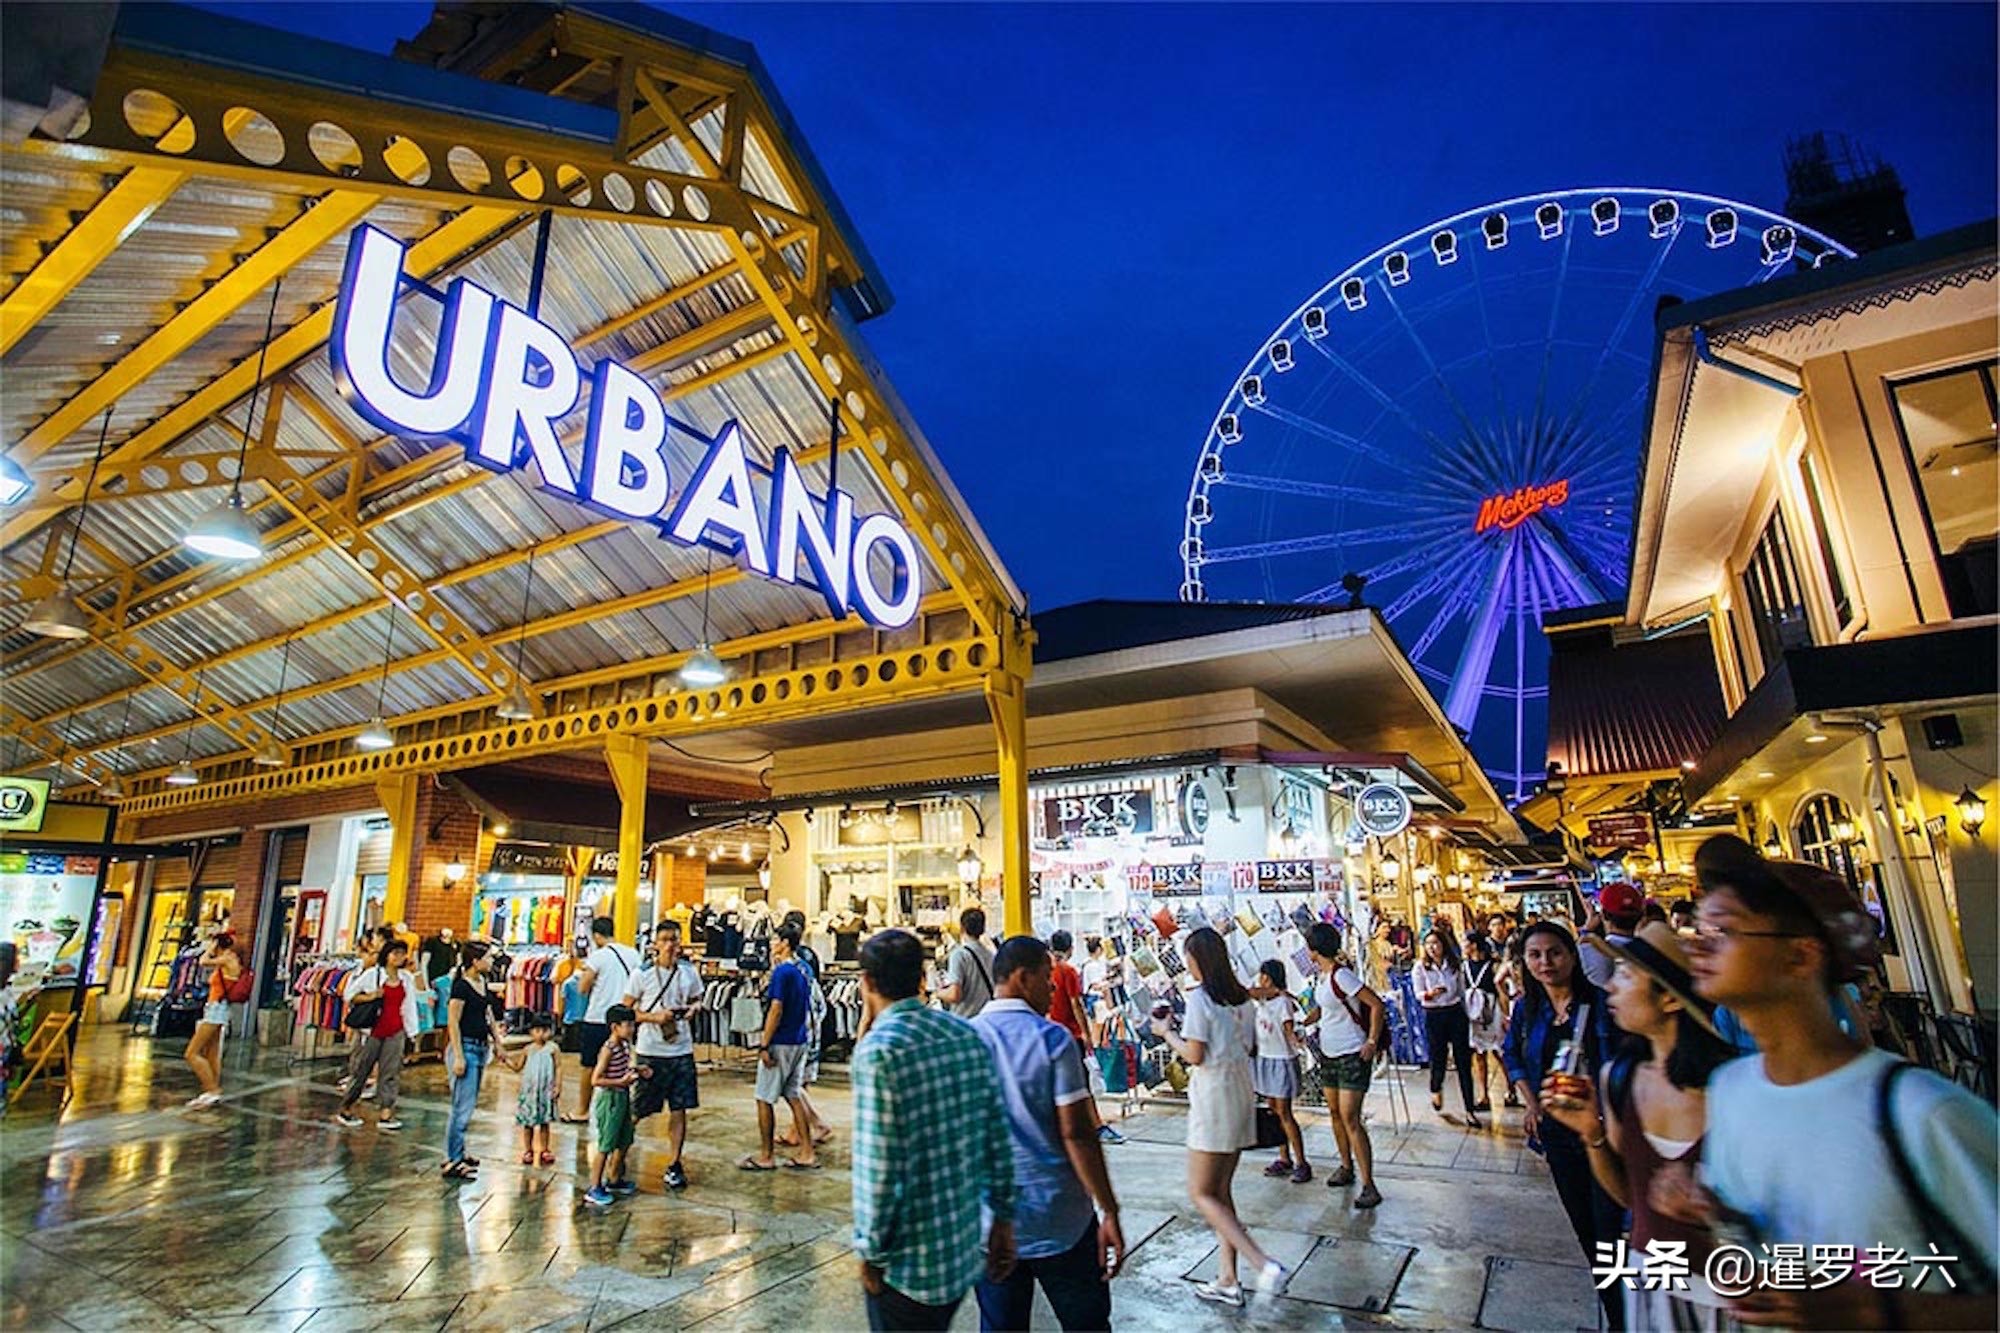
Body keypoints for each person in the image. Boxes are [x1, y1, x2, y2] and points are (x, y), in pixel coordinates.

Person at [1675, 834, 1997, 1328]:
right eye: (1698, 928)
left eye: (1723, 930)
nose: (1699, 945)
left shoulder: (1922, 1112)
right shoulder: (1732, 1091)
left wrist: (1872, 1310)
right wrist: (1711, 1214)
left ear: (1801, 957)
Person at [1539, 920, 1735, 1330]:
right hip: (1653, 1286)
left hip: (1730, 1300)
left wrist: (1716, 1212)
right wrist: (1591, 1134)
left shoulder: (1732, 1088)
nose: (1611, 986)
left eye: (1626, 975)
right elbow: (1630, 1196)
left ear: (1670, 999)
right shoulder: (1618, 1077)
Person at [851, 929, 1015, 1331]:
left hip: (908, 1265)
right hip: (961, 1248)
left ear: (866, 981)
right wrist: (1003, 1219)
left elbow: (879, 1169)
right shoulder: (964, 1035)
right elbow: (996, 1135)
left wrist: (870, 1250)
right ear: (923, 978)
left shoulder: (879, 1052)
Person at [971, 935, 1124, 1332]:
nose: (1053, 988)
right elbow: (1077, 1135)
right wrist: (1109, 1208)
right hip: (1060, 1220)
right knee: (1086, 1324)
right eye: (1046, 977)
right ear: (1022, 978)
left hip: (989, 1224)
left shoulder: (962, 1040)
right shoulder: (1053, 1040)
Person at [1153, 926, 1289, 1306]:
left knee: (1200, 1192)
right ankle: (1228, 1278)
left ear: (1198, 959)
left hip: (1213, 1096)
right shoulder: (1243, 999)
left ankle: (1262, 1264)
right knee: (1221, 1191)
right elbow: (1251, 1046)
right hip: (1241, 1092)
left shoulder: (1201, 1000)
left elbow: (1195, 1055)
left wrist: (1166, 1033)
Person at [1501, 920, 1621, 1329]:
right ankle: (1616, 1312)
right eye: (1534, 955)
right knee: (1586, 1230)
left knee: (1611, 1231)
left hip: (1605, 1133)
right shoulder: (1527, 1010)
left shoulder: (1603, 1005)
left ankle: (1625, 1315)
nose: (1545, 962)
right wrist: (1531, 1103)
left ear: (1572, 955)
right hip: (1556, 1134)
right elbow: (1512, 1055)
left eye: (1554, 952)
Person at [1300, 922, 1387, 1208]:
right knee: (1336, 1113)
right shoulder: (1323, 977)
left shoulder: (1342, 975)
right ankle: (1346, 1166)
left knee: (1350, 1117)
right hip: (1329, 1053)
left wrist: (1371, 1041)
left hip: (1352, 1053)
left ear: (1315, 949)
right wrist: (1306, 1021)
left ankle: (1369, 1184)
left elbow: (1376, 1004)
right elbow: (1326, 1007)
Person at [623, 920, 704, 1190]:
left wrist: (692, 1010)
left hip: (681, 1049)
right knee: (639, 1107)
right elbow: (625, 1010)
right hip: (651, 1051)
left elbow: (697, 999)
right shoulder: (642, 974)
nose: (670, 945)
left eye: (675, 939)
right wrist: (653, 1018)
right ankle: (618, 1153)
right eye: (665, 939)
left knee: (679, 1108)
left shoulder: (688, 972)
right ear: (655, 944)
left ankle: (674, 1162)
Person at [742, 923, 819, 1171]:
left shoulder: (782, 972)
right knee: (794, 1094)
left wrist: (764, 1043)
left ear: (785, 943)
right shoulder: (803, 969)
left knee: (764, 1098)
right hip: (799, 1039)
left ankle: (766, 1155)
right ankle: (807, 1151)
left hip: (781, 1041)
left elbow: (776, 1008)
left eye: (775, 940)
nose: (772, 944)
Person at [332, 937, 427, 1131]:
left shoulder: (405, 978)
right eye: (396, 953)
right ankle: (346, 1107)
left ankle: (386, 1112)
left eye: (403, 953)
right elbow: (349, 995)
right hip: (372, 1030)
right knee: (361, 1070)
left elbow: (409, 1006)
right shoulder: (373, 975)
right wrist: (371, 996)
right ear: (387, 955)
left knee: (390, 1072)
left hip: (395, 1030)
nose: (400, 957)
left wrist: (412, 1032)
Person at [566, 917, 639, 1125]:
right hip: (624, 1020)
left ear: (596, 936)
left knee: (589, 1065)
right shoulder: (633, 954)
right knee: (622, 1064)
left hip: (598, 1017)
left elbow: (582, 988)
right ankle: (621, 1111)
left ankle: (582, 1110)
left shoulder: (597, 956)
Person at [774, 909, 834, 1151]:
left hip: (800, 1029)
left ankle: (812, 1126)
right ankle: (799, 1129)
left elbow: (786, 1002)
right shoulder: (809, 958)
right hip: (810, 1026)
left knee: (793, 1082)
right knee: (798, 1083)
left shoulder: (792, 966)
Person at [443, 940, 502, 1180]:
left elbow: (488, 1015)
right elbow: (453, 1021)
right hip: (465, 1048)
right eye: (487, 957)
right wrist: (458, 1055)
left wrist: (497, 1041)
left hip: (480, 1047)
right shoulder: (461, 986)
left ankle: (458, 1151)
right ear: (475, 961)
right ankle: (453, 1159)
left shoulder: (482, 983)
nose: (491, 961)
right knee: (462, 1106)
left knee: (468, 1103)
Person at [1247, 959, 1310, 1183]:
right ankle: (1284, 1157)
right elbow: (1248, 993)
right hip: (1265, 1059)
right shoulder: (1263, 1001)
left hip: (1281, 1060)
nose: (1260, 979)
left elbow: (1288, 1029)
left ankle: (1302, 1162)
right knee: (1274, 1111)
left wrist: (1297, 1041)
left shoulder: (1283, 1002)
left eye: (1264, 975)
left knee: (1284, 1112)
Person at [1412, 930, 1481, 1128]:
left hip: (1455, 1013)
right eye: (1428, 944)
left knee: (1463, 1062)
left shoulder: (1454, 964)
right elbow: (1418, 993)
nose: (1432, 947)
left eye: (1436, 943)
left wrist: (1469, 1015)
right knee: (1438, 1058)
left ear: (1443, 944)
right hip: (1434, 1014)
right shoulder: (1421, 967)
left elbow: (1461, 991)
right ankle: (1436, 1088)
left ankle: (1469, 1109)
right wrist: (1430, 994)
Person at [583, 1004, 641, 1207]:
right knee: (606, 1144)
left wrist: (638, 1070)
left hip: (622, 1097)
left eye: (633, 1025)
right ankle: (594, 1186)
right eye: (628, 1025)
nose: (631, 1029)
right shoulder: (608, 1049)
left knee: (624, 1138)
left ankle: (615, 1179)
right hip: (610, 1099)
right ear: (615, 1027)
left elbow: (623, 1068)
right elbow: (596, 1079)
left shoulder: (624, 1045)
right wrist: (620, 1082)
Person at [182, 931, 245, 1108]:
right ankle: (212, 1090)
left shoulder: (227, 959)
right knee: (211, 1052)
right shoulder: (230, 959)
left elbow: (202, 961)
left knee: (192, 1053)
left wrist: (210, 948)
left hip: (216, 1009)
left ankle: (212, 1089)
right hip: (217, 1008)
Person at [504, 1011, 561, 1166]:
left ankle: (545, 1149)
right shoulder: (527, 1049)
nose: (541, 1034)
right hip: (530, 1091)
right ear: (531, 1032)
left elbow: (558, 1067)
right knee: (527, 1123)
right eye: (537, 1030)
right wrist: (506, 1059)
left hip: (545, 1091)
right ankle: (528, 1149)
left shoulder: (553, 1049)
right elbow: (517, 1066)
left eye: (545, 1030)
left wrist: (557, 1086)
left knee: (545, 1122)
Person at [1461, 934, 1505, 1111]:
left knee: (1499, 1052)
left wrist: (1506, 1015)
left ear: (1474, 945)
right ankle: (1483, 1094)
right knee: (1478, 1054)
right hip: (1473, 1013)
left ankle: (1511, 1088)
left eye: (1465, 942)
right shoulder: (1464, 966)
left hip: (1492, 1012)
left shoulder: (1493, 966)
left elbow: (1501, 992)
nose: (1463, 946)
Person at [1580, 882, 1644, 989]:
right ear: (1641, 916)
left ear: (1604, 915)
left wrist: (1586, 929)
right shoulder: (1654, 951)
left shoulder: (1590, 949)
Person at [935, 908, 996, 1019]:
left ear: (962, 928)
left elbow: (954, 995)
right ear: (983, 929)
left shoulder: (959, 955)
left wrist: (938, 993)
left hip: (964, 1021)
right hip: (985, 1019)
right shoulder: (991, 955)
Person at [1047, 930, 1089, 1047]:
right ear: (1070, 949)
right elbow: (1076, 1003)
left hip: (1051, 1031)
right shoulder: (1068, 971)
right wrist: (1086, 1033)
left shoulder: (1046, 969)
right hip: (1070, 1033)